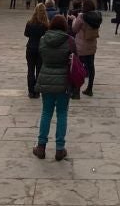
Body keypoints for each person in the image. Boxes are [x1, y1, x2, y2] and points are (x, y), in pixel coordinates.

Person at [33, 15, 75, 161]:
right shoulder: (69, 40)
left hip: (46, 79)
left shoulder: (43, 39)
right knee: (62, 114)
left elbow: (41, 55)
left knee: (46, 112)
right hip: (63, 82)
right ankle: (59, 149)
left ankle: (41, 147)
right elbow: (75, 58)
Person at [72, 0, 102, 97]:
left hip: (81, 46)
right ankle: (90, 88)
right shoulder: (97, 16)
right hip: (92, 45)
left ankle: (76, 91)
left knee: (78, 68)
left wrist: (74, 19)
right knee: (91, 67)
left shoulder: (81, 16)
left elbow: (74, 29)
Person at [25, 3, 50, 98]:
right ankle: (37, 91)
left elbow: (26, 34)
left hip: (31, 48)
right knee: (39, 70)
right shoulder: (46, 25)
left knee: (30, 70)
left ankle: (31, 91)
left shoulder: (30, 23)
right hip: (41, 49)